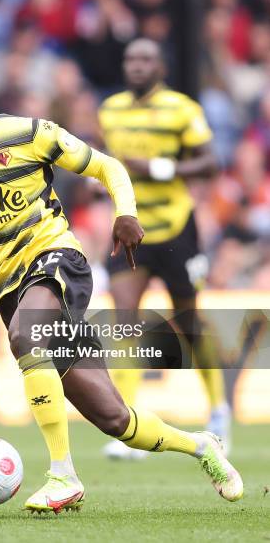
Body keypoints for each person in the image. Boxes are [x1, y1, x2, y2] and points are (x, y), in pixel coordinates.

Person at [0, 69, 242, 514]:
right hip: (8, 289)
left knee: (26, 337)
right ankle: (202, 446)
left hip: (56, 260)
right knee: (114, 419)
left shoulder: (27, 134)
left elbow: (108, 165)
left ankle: (62, 475)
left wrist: (125, 212)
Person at [98, 38, 231, 460]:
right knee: (124, 320)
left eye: (145, 59)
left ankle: (218, 409)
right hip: (131, 226)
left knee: (189, 321)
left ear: (161, 67)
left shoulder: (182, 109)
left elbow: (210, 163)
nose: (136, 66)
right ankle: (133, 425)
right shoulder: (110, 110)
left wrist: (158, 168)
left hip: (175, 228)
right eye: (130, 59)